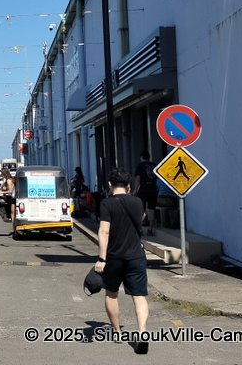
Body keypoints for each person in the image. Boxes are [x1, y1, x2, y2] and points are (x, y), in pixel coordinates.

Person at [94, 167, 150, 355]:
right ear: (128, 186)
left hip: (114, 257)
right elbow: (141, 219)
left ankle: (117, 333)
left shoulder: (106, 204)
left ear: (110, 184)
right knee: (139, 296)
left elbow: (104, 231)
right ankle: (142, 333)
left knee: (111, 294)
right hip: (136, 256)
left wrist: (101, 259)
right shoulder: (138, 202)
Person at [132, 151, 158, 236]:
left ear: (141, 157)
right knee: (152, 209)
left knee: (141, 209)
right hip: (153, 190)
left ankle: (140, 228)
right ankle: (150, 229)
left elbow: (138, 179)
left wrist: (135, 190)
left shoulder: (140, 166)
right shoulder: (154, 165)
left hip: (143, 190)